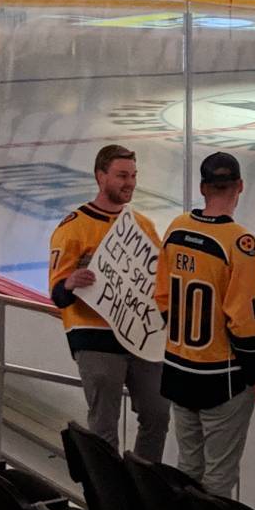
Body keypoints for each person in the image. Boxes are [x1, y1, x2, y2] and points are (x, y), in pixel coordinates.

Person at [153, 151, 255, 497]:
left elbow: (162, 297)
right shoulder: (240, 243)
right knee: (219, 478)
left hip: (178, 369)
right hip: (221, 377)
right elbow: (247, 321)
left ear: (203, 187)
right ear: (240, 186)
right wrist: (249, 371)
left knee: (188, 467)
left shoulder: (177, 229)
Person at [50, 145, 173, 462]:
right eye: (121, 175)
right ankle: (108, 499)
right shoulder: (73, 227)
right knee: (105, 426)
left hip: (142, 338)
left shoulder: (142, 226)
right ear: (100, 176)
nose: (129, 182)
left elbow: (158, 280)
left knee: (158, 413)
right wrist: (70, 283)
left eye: (133, 175)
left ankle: (145, 485)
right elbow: (57, 293)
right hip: (95, 337)